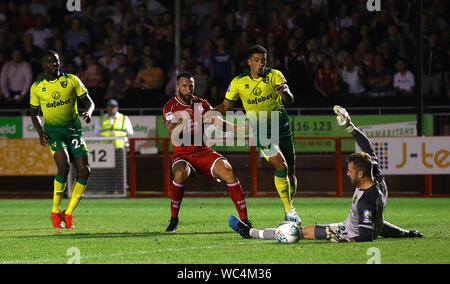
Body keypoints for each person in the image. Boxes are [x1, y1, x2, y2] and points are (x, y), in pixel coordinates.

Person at [229, 105, 423, 242]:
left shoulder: (367, 199)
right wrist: (351, 128)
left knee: (295, 233)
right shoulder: (376, 178)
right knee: (299, 231)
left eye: (350, 171)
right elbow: (378, 225)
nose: (347, 174)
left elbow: (365, 236)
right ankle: (252, 231)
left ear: (362, 174)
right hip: (349, 227)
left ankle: (251, 232)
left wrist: (339, 240)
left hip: (345, 232)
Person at [214, 45, 301, 225]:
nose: (260, 64)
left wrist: (284, 92)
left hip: (282, 127)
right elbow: (225, 106)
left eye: (263, 60)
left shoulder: (275, 75)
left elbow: (290, 100)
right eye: (256, 60)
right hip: (262, 131)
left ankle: (289, 208)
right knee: (281, 165)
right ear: (249, 62)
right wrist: (207, 113)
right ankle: (290, 210)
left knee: (290, 173)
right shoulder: (238, 82)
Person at [162, 72, 251, 233]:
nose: (188, 89)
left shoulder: (201, 103)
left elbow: (217, 122)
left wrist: (238, 128)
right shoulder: (170, 107)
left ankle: (245, 221)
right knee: (180, 173)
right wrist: (185, 120)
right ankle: (174, 219)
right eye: (184, 86)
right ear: (177, 87)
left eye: (191, 86)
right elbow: (173, 134)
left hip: (202, 152)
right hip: (182, 155)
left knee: (228, 171)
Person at [30, 50, 95, 229]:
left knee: (85, 170)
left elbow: (89, 102)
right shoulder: (37, 87)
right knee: (64, 166)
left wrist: (88, 112)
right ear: (44, 64)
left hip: (74, 131)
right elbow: (34, 114)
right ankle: (55, 210)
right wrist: (39, 131)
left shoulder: (72, 80)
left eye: (56, 61)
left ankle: (68, 212)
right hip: (54, 132)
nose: (54, 64)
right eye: (50, 61)